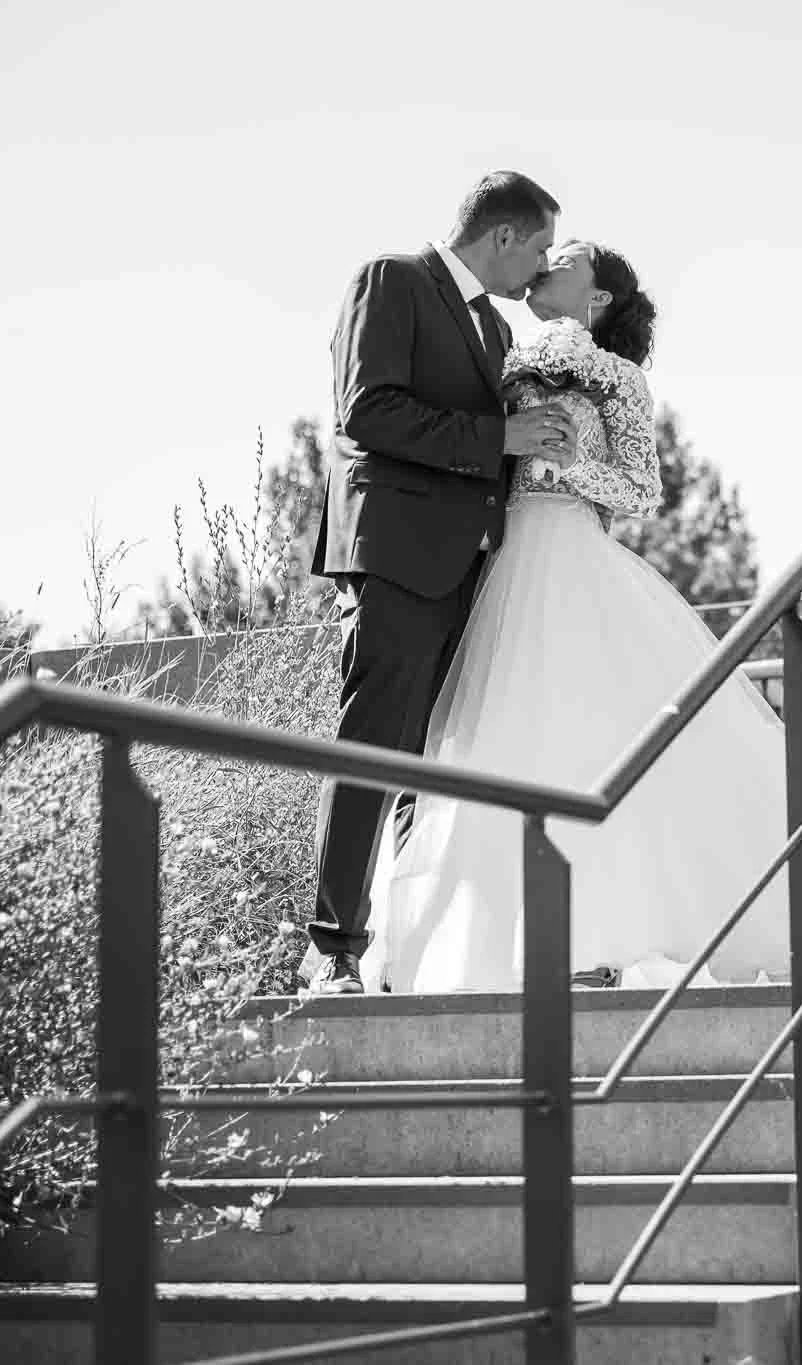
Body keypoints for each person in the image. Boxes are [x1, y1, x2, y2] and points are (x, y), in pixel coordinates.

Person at [358, 240, 802, 992]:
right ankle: (479, 943)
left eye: (568, 257)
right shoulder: (503, 353)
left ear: (599, 297)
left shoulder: (616, 379)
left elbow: (642, 488)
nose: (548, 262)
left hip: (573, 561)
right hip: (499, 569)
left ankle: (593, 937)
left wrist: (561, 469)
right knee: (491, 745)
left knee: (583, 741)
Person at [302, 171, 577, 995]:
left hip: (468, 570)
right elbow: (366, 411)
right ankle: (333, 947)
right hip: (395, 558)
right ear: (501, 237)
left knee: (431, 766)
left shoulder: (493, 331)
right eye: (534, 250)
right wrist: (501, 434)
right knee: (375, 745)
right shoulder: (393, 280)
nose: (537, 270)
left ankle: (401, 947)